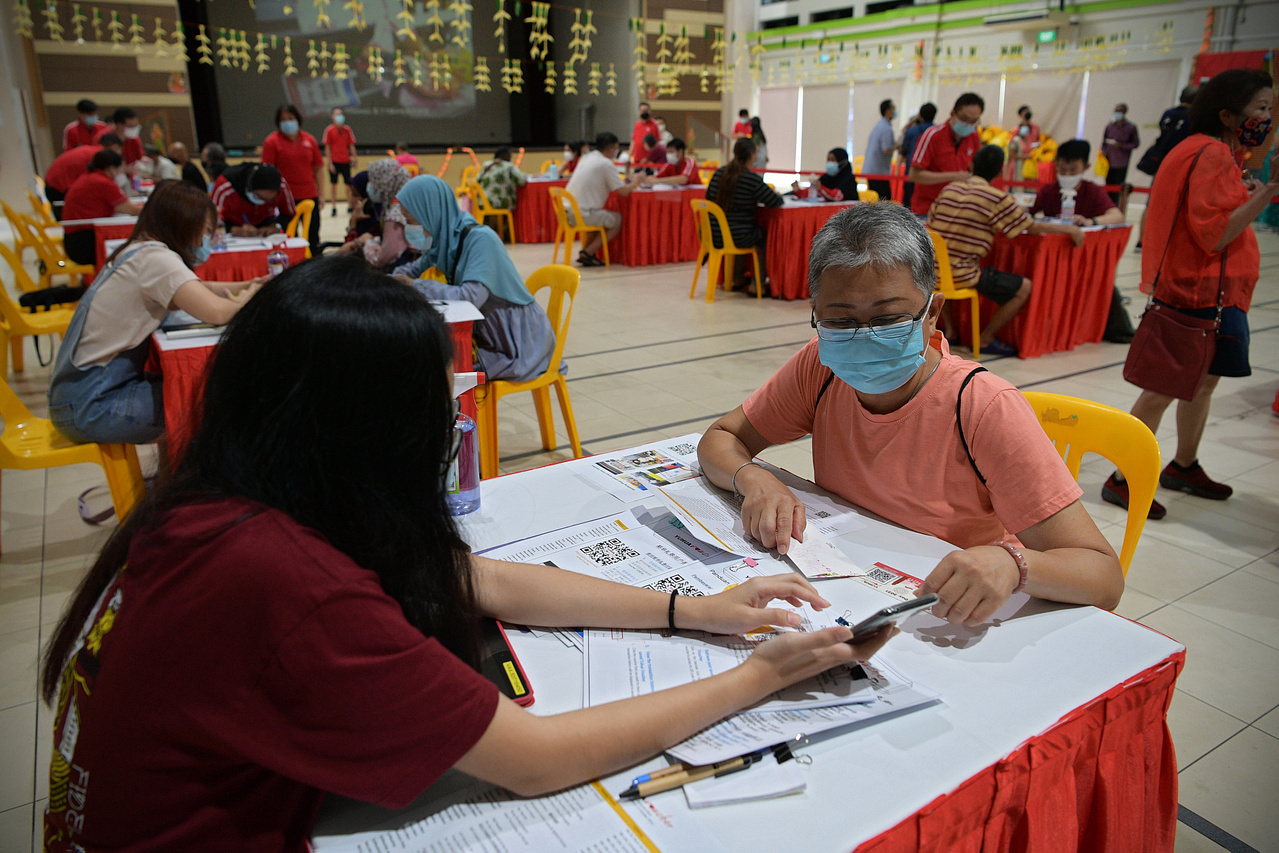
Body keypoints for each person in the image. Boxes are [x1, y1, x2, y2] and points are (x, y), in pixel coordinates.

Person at [39, 255, 885, 849]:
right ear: (367, 429)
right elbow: (533, 759)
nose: (448, 423)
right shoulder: (284, 582)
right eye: (433, 404)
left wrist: (691, 611)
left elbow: (465, 577)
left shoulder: (227, 495)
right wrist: (764, 675)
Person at [698, 203, 1124, 630]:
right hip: (854, 584)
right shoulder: (820, 369)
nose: (864, 337)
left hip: (952, 608)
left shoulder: (982, 407)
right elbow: (721, 437)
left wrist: (1013, 563)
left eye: (889, 318)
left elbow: (1103, 577)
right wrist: (755, 479)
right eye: (841, 321)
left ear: (932, 312)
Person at [1105, 69, 1276, 520]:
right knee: (1164, 388)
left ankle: (1183, 465)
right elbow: (1216, 234)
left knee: (1202, 383)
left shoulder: (1201, 149)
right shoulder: (1213, 153)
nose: (1267, 118)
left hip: (1212, 290)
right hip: (1197, 291)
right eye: (1260, 108)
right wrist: (1271, 191)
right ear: (1228, 113)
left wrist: (1248, 193)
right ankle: (1121, 478)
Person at [46, 180, 263, 446]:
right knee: (220, 399)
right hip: (93, 405)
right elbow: (217, 313)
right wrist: (249, 298)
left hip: (78, 398)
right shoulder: (156, 259)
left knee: (199, 391)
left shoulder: (139, 249)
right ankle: (198, 485)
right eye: (207, 231)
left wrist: (250, 284)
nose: (208, 240)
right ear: (185, 223)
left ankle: (174, 481)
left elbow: (194, 288)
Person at [393, 175, 557, 383]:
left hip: (518, 343)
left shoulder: (480, 239)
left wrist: (416, 286)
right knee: (426, 364)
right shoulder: (445, 242)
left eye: (411, 221)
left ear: (430, 212)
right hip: (487, 337)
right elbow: (412, 270)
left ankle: (458, 415)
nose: (410, 228)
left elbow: (469, 297)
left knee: (440, 375)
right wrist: (384, 283)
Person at [927, 145, 1083, 358]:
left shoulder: (949, 189)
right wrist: (1070, 229)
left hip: (932, 270)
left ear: (971, 165)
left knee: (943, 275)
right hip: (963, 275)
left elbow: (931, 223)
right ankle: (985, 338)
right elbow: (1031, 227)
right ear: (1001, 172)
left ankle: (952, 332)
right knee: (1024, 287)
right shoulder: (997, 198)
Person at [706, 138, 784, 292]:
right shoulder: (751, 179)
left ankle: (737, 278)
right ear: (752, 156)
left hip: (713, 234)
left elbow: (708, 199)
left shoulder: (718, 174)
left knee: (744, 229)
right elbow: (775, 201)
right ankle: (757, 284)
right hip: (737, 236)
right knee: (759, 234)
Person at [1134, 86, 1199, 253]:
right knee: (1178, 205)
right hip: (1181, 164)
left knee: (1151, 203)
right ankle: (1168, 242)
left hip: (1162, 163)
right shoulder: (1193, 118)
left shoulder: (1168, 114)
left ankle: (1141, 241)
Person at [563, 132, 642, 267]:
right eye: (615, 148)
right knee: (617, 220)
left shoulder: (587, 157)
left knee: (599, 216)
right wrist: (636, 181)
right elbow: (623, 192)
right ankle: (588, 252)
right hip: (581, 214)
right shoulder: (606, 164)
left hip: (566, 211)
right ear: (609, 148)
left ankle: (586, 252)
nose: (616, 152)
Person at [60, 150, 143, 265]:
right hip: (84, 242)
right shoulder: (103, 183)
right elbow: (132, 210)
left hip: (75, 238)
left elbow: (121, 208)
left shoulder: (90, 177)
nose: (122, 174)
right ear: (111, 168)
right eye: (121, 169)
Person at [909, 92, 985, 215]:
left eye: (974, 121)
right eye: (964, 119)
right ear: (953, 114)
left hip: (958, 210)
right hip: (928, 210)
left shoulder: (974, 137)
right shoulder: (932, 135)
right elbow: (914, 175)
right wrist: (953, 176)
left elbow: (974, 169)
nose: (968, 125)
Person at [262, 104, 324, 252]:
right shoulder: (272, 142)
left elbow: (319, 169)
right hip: (285, 198)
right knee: (289, 236)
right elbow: (267, 173)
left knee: (313, 235)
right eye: (283, 120)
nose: (288, 122)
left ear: (298, 119)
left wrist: (321, 194)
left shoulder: (309, 140)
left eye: (291, 118)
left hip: (309, 194)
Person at [1030, 139, 1125, 226]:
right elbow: (1029, 209)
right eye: (1062, 169)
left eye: (1073, 170)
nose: (1067, 175)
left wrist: (1090, 221)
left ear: (1086, 167)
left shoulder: (1093, 192)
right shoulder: (1048, 191)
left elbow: (1118, 216)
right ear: (1056, 165)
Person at [44, 133, 123, 219]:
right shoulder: (98, 157)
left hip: (55, 184)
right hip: (57, 188)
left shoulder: (92, 151)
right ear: (115, 147)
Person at [210, 162, 296, 237]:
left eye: (269, 200)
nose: (262, 202)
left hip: (264, 229)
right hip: (232, 230)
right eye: (258, 196)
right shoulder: (224, 187)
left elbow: (289, 213)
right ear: (249, 189)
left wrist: (276, 226)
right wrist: (233, 229)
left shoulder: (282, 186)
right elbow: (212, 221)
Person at [359, 158, 415, 270]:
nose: (371, 187)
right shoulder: (411, 203)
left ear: (386, 183)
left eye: (375, 182)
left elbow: (381, 259)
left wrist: (368, 242)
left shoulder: (396, 214)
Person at [1100, 103, 1140, 204]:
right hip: (1109, 161)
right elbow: (1104, 142)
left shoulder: (1131, 127)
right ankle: (1106, 205)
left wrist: (1121, 146)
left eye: (1120, 111)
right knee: (1108, 185)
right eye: (1116, 111)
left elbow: (1135, 144)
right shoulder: (1110, 126)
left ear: (1125, 112)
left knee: (1118, 187)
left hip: (1122, 162)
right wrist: (1103, 153)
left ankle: (1115, 206)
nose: (1118, 113)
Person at [899, 103, 936, 210]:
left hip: (910, 172)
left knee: (907, 207)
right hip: (928, 177)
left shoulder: (911, 131)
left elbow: (904, 150)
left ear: (920, 115)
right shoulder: (935, 133)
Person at [323, 106, 358, 216]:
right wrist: (330, 163)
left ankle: (349, 205)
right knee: (333, 185)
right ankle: (334, 207)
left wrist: (355, 158)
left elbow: (351, 145)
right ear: (332, 116)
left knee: (348, 185)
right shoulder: (329, 130)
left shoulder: (347, 130)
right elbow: (327, 147)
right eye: (337, 114)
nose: (339, 117)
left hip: (345, 161)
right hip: (335, 161)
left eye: (341, 114)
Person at [791, 148, 860, 202]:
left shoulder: (848, 178)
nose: (829, 163)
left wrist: (821, 188)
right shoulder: (827, 177)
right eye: (828, 160)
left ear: (842, 162)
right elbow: (812, 192)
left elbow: (836, 196)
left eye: (833, 160)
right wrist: (798, 191)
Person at [863, 99, 898, 200]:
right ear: (888, 111)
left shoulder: (880, 126)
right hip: (878, 172)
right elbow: (886, 149)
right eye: (893, 109)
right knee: (884, 201)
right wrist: (898, 146)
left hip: (874, 170)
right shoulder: (885, 128)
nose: (895, 111)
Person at [476, 145, 528, 211]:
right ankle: (506, 221)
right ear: (506, 155)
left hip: (482, 201)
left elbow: (477, 180)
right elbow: (522, 180)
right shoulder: (508, 166)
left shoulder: (486, 164)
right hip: (500, 203)